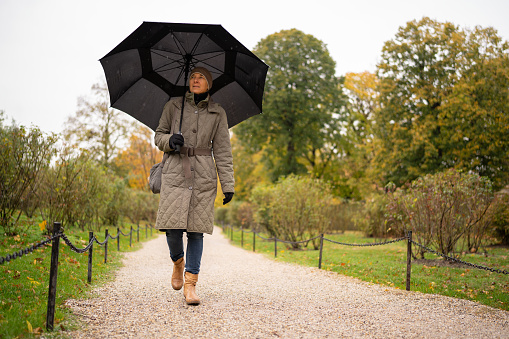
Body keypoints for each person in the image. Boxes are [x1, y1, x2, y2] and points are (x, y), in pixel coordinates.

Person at [154, 66, 234, 305]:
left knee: (196, 232)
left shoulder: (217, 113)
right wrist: (170, 140)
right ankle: (178, 262)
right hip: (175, 171)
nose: (196, 80)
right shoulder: (173, 106)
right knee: (172, 228)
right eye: (193, 76)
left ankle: (191, 286)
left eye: (201, 77)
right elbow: (158, 136)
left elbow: (222, 150)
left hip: (203, 175)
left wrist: (227, 184)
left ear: (209, 84)